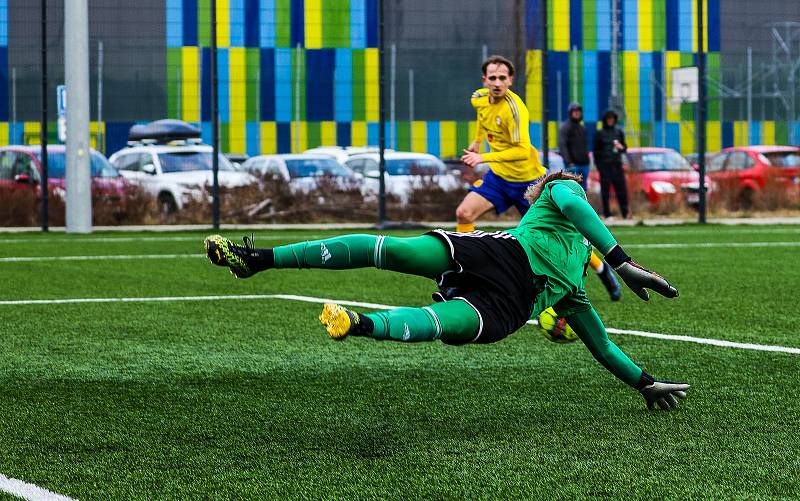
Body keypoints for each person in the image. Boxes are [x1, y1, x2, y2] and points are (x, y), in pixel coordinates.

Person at [204, 171, 690, 411]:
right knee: (390, 251)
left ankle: (357, 323)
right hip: (498, 256)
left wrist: (644, 383)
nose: (567, 189)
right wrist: (622, 262)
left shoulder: (573, 293)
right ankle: (258, 260)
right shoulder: (560, 194)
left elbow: (601, 343)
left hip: (509, 304)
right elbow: (571, 199)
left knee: (443, 324)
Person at [460, 56, 621, 301]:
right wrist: (477, 141)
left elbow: (522, 151)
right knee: (464, 214)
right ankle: (467, 279)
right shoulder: (478, 98)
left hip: (529, 183)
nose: (497, 83)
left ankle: (601, 268)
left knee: (557, 237)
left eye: (502, 78)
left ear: (510, 80)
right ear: (484, 80)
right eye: (492, 78)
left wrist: (482, 157)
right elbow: (483, 120)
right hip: (499, 178)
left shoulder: (516, 110)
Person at [593, 110, 631, 219]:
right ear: (605, 120)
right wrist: (599, 167)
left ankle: (625, 213)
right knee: (605, 192)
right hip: (605, 166)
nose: (610, 120)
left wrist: (621, 148)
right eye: (608, 118)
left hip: (617, 165)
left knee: (621, 190)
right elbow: (596, 152)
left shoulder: (618, 132)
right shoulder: (600, 134)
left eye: (612, 118)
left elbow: (624, 148)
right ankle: (607, 213)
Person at [558, 102, 591, 191]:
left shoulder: (582, 128)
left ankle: (582, 205)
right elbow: (562, 145)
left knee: (583, 191)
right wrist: (568, 162)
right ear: (570, 113)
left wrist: (587, 161)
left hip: (584, 164)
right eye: (574, 111)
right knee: (572, 189)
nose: (577, 113)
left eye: (578, 111)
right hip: (572, 164)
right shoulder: (565, 127)